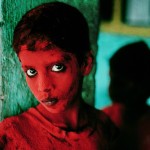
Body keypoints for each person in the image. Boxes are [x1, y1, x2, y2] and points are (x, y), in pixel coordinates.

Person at [0, 2, 118, 149]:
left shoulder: (104, 128)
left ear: (85, 64)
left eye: (57, 67)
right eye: (31, 72)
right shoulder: (12, 136)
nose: (43, 87)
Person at [103, 41, 150, 150]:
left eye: (119, 81)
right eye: (112, 79)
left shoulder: (103, 120)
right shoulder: (103, 119)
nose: (112, 87)